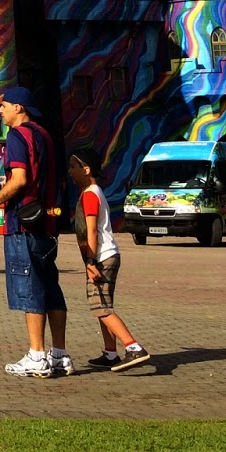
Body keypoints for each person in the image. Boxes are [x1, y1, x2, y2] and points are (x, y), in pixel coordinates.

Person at [0, 85, 71, 378]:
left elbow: (19, 180)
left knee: (30, 288)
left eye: (4, 106)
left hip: (24, 223)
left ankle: (36, 356)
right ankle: (60, 354)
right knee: (51, 287)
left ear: (19, 107)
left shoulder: (17, 136)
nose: (1, 110)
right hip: (49, 223)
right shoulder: (44, 135)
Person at [66, 149, 150, 372]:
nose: (70, 171)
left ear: (86, 170)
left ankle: (134, 348)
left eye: (73, 166)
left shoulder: (90, 194)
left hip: (102, 257)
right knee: (103, 305)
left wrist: (91, 262)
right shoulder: (92, 192)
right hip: (105, 256)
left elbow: (92, 230)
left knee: (100, 306)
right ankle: (110, 353)